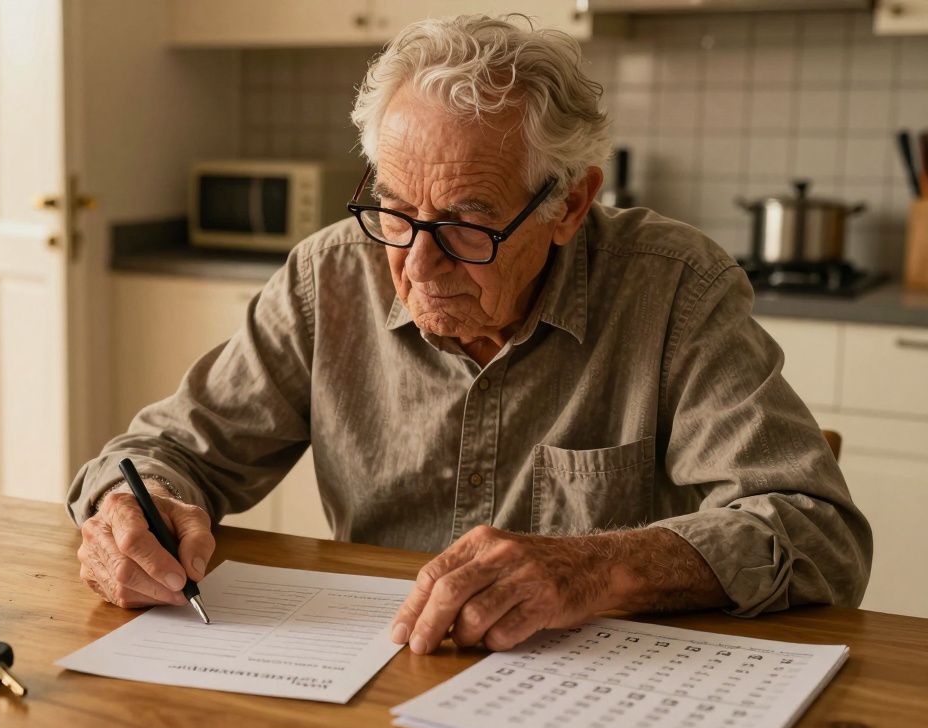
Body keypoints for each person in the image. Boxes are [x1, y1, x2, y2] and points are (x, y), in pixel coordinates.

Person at [66, 14, 872, 655]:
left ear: (570, 204)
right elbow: (162, 453)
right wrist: (133, 511)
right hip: (375, 675)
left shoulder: (672, 289)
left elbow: (818, 534)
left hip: (598, 689)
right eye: (394, 211)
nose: (417, 263)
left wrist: (593, 569)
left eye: (465, 221)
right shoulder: (330, 277)